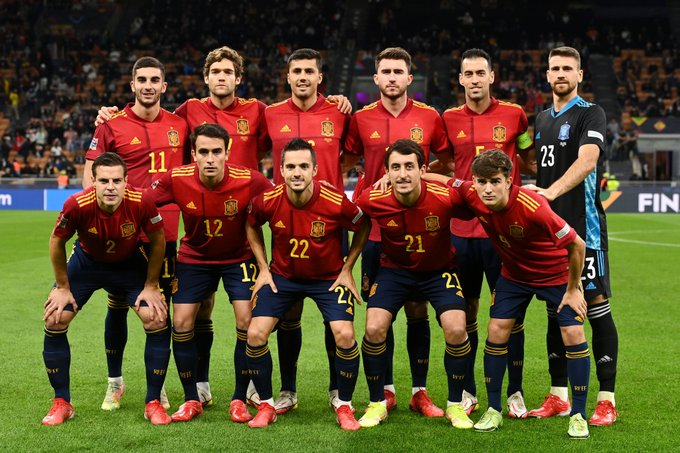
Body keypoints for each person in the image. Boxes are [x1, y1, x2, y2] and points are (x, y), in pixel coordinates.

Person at [431, 150, 591, 439]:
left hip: (554, 276)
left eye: (495, 181)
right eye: (481, 181)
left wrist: (572, 288)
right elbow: (445, 180)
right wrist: (413, 175)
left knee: (573, 334)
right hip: (514, 276)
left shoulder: (533, 206)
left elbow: (577, 244)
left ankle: (578, 414)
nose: (487, 189)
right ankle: (494, 409)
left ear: (508, 180)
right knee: (496, 330)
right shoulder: (473, 193)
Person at [344, 47, 454, 416]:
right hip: (376, 232)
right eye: (385, 71)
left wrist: (421, 178)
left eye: (398, 71)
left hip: (418, 231)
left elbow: (448, 162)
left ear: (410, 78)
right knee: (381, 314)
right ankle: (386, 391)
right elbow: (346, 160)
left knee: (418, 311)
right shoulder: (360, 119)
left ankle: (420, 391)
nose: (392, 77)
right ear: (376, 78)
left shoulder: (429, 116)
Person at [146, 123, 273, 423]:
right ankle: (192, 398)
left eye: (217, 151)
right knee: (181, 322)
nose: (210, 158)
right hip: (195, 257)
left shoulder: (250, 180)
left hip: (237, 257)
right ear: (193, 154)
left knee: (246, 321)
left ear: (227, 153)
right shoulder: (177, 178)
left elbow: (281, 200)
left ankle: (239, 399)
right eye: (203, 152)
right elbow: (141, 200)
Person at [85, 56, 190, 412]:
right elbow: (90, 176)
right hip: (124, 235)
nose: (148, 85)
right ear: (132, 85)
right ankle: (115, 382)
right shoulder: (111, 124)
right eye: (141, 80)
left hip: (167, 232)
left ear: (164, 86)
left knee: (160, 313)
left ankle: (157, 388)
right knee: (116, 306)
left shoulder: (180, 125)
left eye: (154, 80)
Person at [245, 138, 370, 430]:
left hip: (327, 279)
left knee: (344, 334)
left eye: (303, 166)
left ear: (315, 169)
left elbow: (363, 224)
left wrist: (348, 268)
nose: (297, 172)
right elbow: (251, 223)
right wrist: (263, 268)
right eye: (290, 167)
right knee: (255, 334)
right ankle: (267, 405)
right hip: (284, 278)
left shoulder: (334, 201)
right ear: (281, 170)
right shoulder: (268, 199)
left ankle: (344, 405)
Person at [524, 46, 619, 427]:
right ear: (547, 75)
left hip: (584, 229)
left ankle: (607, 400)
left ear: (579, 75)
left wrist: (551, 192)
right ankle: (558, 395)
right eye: (555, 68)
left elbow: (587, 160)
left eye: (568, 68)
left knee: (594, 307)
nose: (561, 73)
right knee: (556, 308)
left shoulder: (590, 113)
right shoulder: (541, 119)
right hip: (550, 231)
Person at [255, 48, 352, 414]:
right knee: (289, 311)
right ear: (288, 77)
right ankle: (288, 389)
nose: (302, 77)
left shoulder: (339, 112)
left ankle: (336, 388)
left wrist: (332, 184)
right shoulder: (271, 114)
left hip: (329, 222)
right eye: (296, 71)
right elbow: (252, 150)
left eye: (309, 71)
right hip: (287, 219)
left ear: (319, 77)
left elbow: (352, 153)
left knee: (334, 313)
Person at [42, 152, 172, 426]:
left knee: (156, 317)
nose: (110, 187)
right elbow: (56, 241)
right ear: (93, 181)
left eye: (116, 181)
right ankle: (62, 402)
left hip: (128, 264)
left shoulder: (142, 201)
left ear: (126, 181)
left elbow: (158, 239)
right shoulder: (77, 204)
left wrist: (151, 285)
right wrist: (62, 287)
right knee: (56, 317)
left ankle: (153, 402)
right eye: (104, 181)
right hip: (87, 263)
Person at [438, 48, 533, 417]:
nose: (475, 79)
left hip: (505, 234)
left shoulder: (514, 114)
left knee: (511, 315)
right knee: (466, 312)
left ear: (492, 77)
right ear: (461, 79)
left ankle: (515, 391)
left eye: (481, 73)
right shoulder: (448, 119)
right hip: (461, 232)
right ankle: (468, 391)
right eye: (469, 74)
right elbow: (447, 163)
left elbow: (528, 156)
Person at [354, 139, 472, 429]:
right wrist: (347, 267)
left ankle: (455, 405)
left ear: (422, 169)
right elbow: (349, 218)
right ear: (386, 172)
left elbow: (476, 198)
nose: (403, 174)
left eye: (410, 167)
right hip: (394, 271)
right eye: (396, 167)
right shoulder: (373, 198)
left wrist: (442, 178)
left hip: (438, 271)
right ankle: (377, 402)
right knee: (374, 327)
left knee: (457, 328)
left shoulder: (445, 197)